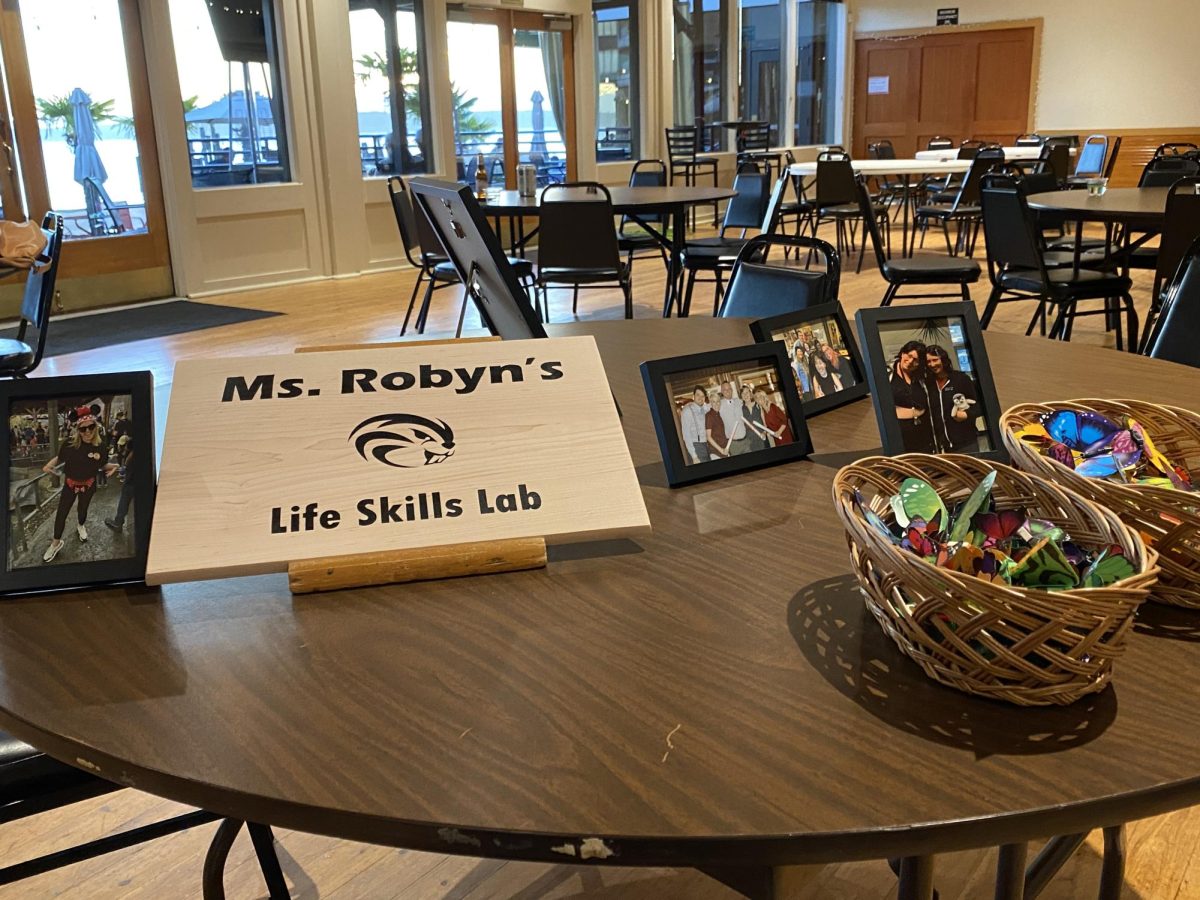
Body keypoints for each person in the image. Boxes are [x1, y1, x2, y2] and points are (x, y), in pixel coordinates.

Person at [40, 405, 118, 564]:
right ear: (78, 429)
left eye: (91, 427)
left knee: (82, 509)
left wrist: (114, 467)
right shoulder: (69, 444)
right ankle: (56, 543)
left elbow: (102, 464)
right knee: (61, 513)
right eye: (83, 429)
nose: (87, 432)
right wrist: (48, 465)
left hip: (88, 484)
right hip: (69, 484)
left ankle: (81, 525)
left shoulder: (101, 446)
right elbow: (59, 458)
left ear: (95, 427)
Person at [926, 345, 980, 453]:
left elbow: (977, 405)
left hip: (967, 443)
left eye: (935, 360)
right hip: (944, 447)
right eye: (928, 362)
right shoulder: (928, 384)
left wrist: (966, 415)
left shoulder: (961, 379)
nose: (932, 364)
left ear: (943, 359)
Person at [889, 341, 937, 453]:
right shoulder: (887, 374)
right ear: (902, 353)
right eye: (909, 356)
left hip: (923, 436)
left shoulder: (921, 377)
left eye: (915, 360)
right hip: (900, 436)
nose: (910, 361)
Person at [105, 434, 137, 532]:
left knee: (125, 499)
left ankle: (118, 523)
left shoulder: (133, 450)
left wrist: (125, 468)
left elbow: (128, 461)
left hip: (132, 479)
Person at [680, 386, 711, 464]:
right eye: (698, 395)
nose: (700, 398)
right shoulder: (687, 411)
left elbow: (712, 405)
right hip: (696, 446)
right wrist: (694, 456)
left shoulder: (704, 408)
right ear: (693, 396)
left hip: (707, 445)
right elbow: (686, 435)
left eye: (703, 396)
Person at [719, 381, 751, 455]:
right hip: (733, 445)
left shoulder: (739, 401)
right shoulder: (719, 404)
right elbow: (706, 407)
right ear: (721, 391)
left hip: (746, 440)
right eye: (725, 389)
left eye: (729, 388)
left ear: (732, 390)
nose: (727, 391)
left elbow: (748, 401)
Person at [739, 383, 769, 451]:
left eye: (747, 392)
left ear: (750, 393)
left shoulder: (758, 405)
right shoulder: (740, 410)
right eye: (743, 393)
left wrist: (764, 433)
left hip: (762, 437)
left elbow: (765, 423)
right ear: (741, 396)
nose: (745, 395)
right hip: (750, 442)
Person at [704, 388, 730, 458]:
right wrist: (721, 450)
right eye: (713, 402)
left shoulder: (718, 415)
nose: (716, 404)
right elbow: (708, 437)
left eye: (718, 401)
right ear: (710, 403)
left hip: (724, 449)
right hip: (716, 452)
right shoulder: (709, 415)